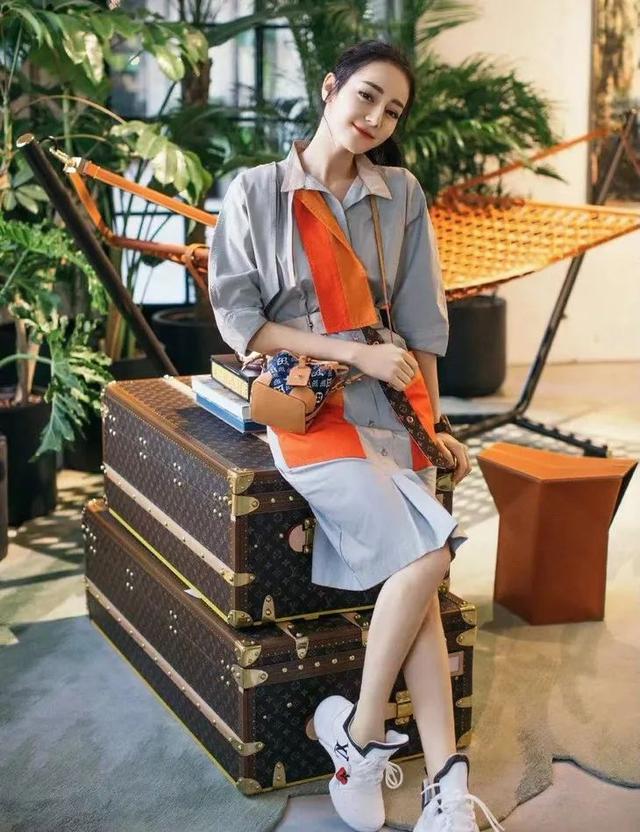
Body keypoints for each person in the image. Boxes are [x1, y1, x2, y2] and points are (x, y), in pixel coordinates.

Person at [209, 38, 503, 832]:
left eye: (392, 110)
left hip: (392, 408)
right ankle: (365, 734)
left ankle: (439, 783)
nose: (375, 116)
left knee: (419, 575)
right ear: (330, 88)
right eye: (366, 95)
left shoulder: (399, 194)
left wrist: (435, 428)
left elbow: (421, 323)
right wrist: (352, 354)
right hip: (310, 408)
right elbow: (242, 323)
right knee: (429, 557)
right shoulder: (258, 191)